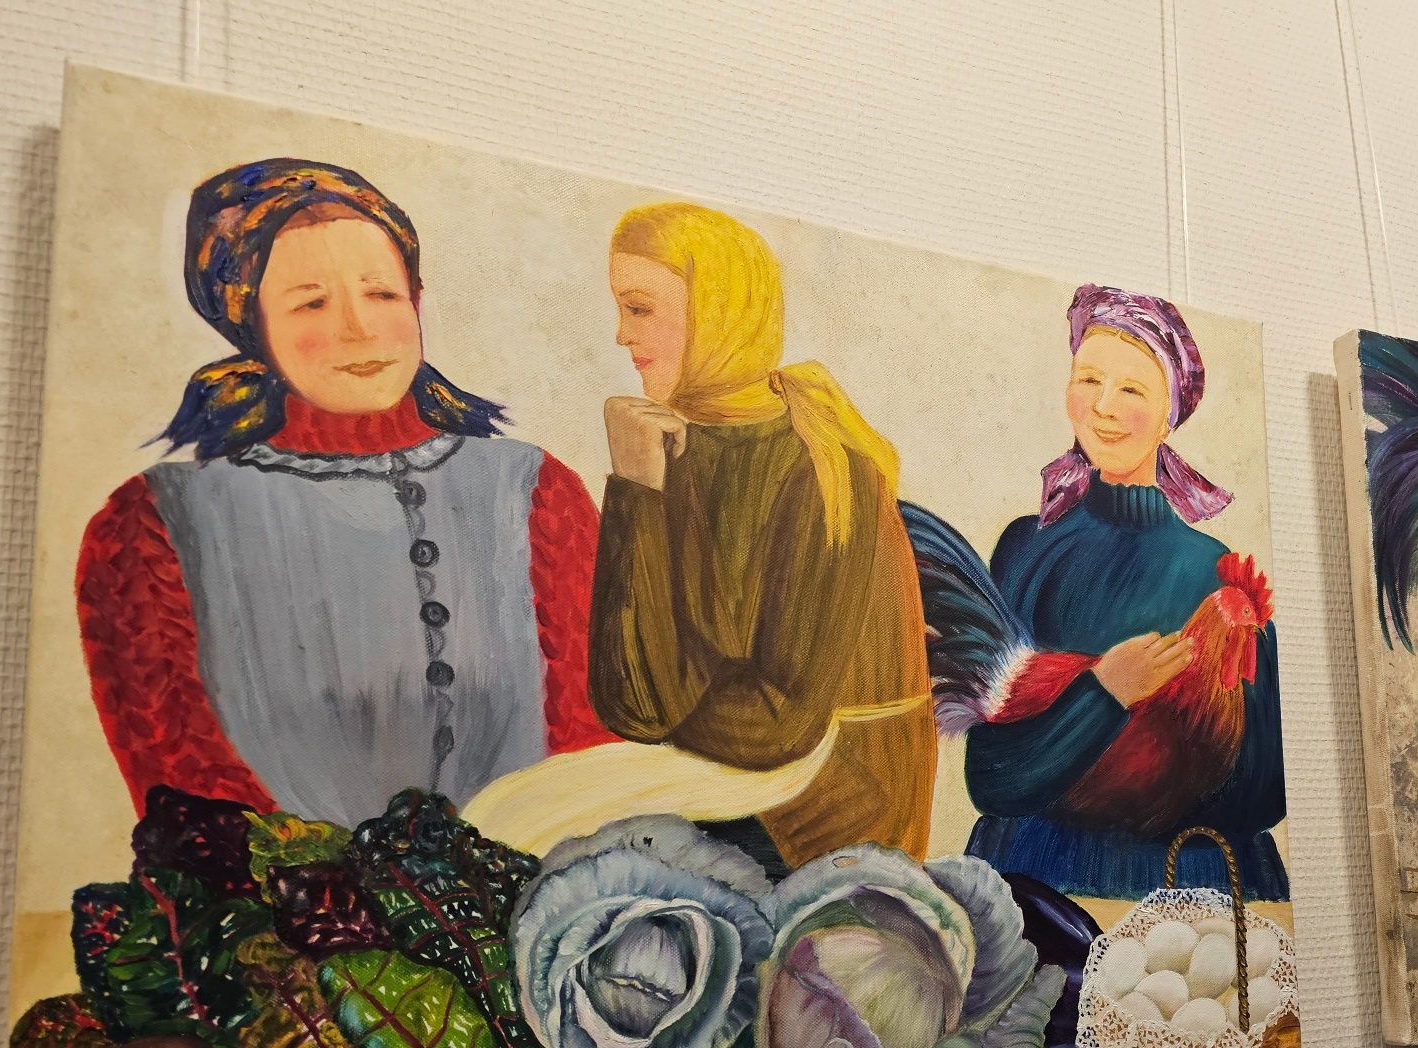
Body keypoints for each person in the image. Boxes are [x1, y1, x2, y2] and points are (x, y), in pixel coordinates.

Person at [76, 158, 611, 829]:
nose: (358, 329)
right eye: (311, 303)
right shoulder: (153, 524)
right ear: (252, 325)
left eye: (381, 294)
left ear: (415, 301)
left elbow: (593, 756)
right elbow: (191, 801)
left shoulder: (537, 491)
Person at [587, 202, 935, 870]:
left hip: (823, 822)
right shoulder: (669, 443)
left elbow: (774, 724)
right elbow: (624, 698)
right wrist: (635, 489)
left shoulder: (826, 466)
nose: (622, 335)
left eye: (639, 309)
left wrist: (661, 706)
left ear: (719, 311)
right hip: (726, 789)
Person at [963, 285, 1288, 900]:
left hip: (1185, 882)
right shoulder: (1027, 548)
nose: (1103, 407)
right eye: (1088, 380)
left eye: (1133, 390)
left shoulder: (1214, 570)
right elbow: (993, 777)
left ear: (1171, 413)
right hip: (1037, 877)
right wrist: (1104, 695)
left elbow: (1266, 791)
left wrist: (1155, 764)